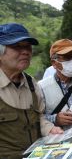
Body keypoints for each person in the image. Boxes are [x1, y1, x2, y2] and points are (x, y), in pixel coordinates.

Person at [0, 23, 63, 159]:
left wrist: (49, 128)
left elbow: (39, 117)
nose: (26, 51)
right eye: (17, 46)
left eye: (28, 46)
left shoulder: (31, 83)